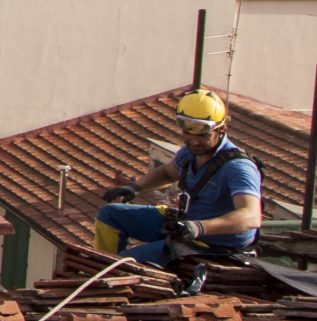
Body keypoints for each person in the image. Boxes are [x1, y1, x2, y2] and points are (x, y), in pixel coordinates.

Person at [97, 89, 263, 269]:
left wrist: (199, 227)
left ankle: (112, 272)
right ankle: (101, 268)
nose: (194, 141)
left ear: (221, 128)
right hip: (186, 224)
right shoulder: (191, 153)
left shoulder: (237, 168)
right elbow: (168, 173)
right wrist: (135, 187)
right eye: (187, 134)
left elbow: (250, 216)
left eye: (202, 135)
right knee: (109, 215)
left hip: (213, 244)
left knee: (123, 262)